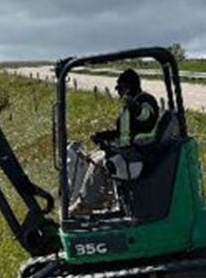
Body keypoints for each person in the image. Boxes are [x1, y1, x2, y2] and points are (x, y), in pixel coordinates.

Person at [68, 69, 163, 215]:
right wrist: (104, 136)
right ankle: (100, 200)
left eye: (120, 88)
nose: (118, 93)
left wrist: (134, 106)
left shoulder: (145, 100)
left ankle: (85, 204)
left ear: (129, 87)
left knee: (101, 162)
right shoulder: (129, 107)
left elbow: (146, 117)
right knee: (93, 157)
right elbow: (124, 134)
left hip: (142, 154)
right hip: (131, 152)